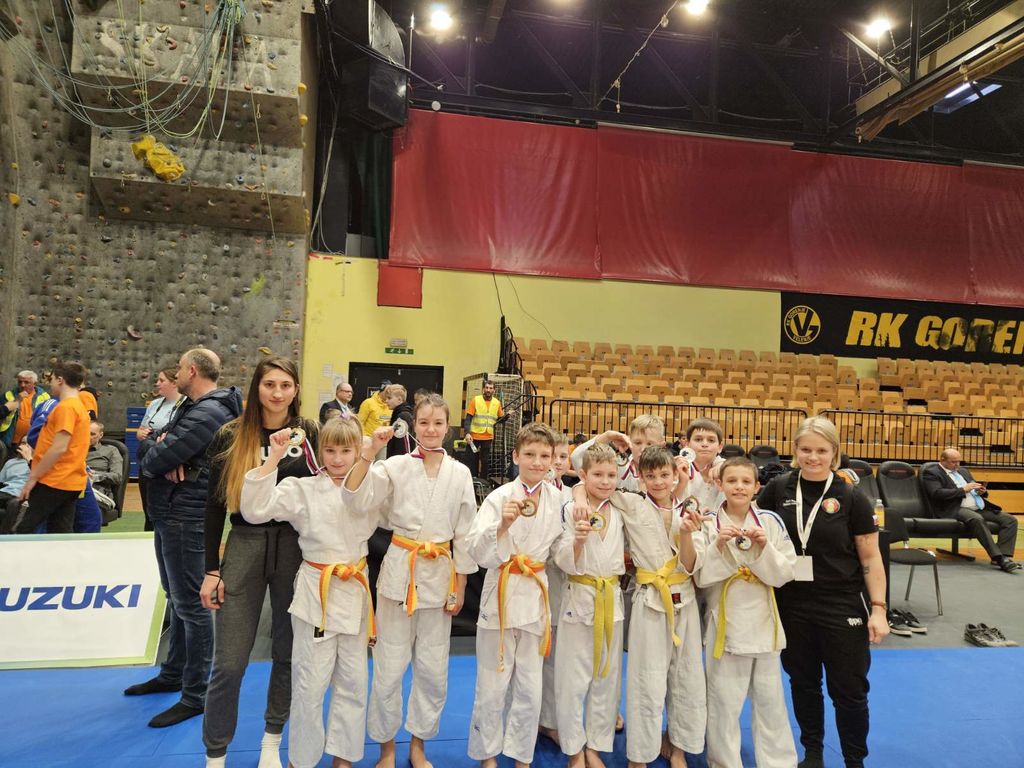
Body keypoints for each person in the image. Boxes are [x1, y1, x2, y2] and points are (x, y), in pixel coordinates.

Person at [343, 394, 477, 768]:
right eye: (424, 423)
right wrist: (370, 452)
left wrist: (461, 587)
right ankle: (386, 747)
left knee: (433, 670)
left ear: (448, 427)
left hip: (441, 575)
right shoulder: (395, 466)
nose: (431, 430)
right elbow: (355, 499)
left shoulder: (460, 473)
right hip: (400, 571)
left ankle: (419, 745)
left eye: (438, 423)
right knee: (388, 667)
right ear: (413, 425)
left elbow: (466, 534)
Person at [199, 357, 319, 768]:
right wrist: (210, 570)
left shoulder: (310, 432)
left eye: (286, 385)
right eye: (270, 384)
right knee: (229, 662)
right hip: (244, 544)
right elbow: (213, 506)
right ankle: (216, 754)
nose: (278, 393)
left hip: (295, 547)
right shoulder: (231, 434)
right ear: (257, 388)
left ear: (296, 389)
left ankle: (272, 741)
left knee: (288, 653)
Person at [240, 417, 377, 768]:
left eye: (346, 450)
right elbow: (254, 510)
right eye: (330, 450)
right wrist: (274, 457)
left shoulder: (371, 485)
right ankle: (301, 760)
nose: (337, 459)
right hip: (317, 590)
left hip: (355, 587)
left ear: (357, 451)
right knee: (309, 684)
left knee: (354, 681)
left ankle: (344, 758)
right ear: (319, 451)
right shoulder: (302, 489)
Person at [756, 416, 888, 768]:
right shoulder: (777, 489)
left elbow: (871, 557)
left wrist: (878, 608)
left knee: (850, 690)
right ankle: (812, 753)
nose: (812, 457)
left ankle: (854, 759)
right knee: (803, 683)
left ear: (835, 453)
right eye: (805, 450)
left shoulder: (852, 497)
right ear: (795, 450)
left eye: (821, 450)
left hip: (841, 604)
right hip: (791, 604)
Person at [127, 349, 243, 729]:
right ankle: (173, 674)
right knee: (177, 599)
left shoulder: (209, 412)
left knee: (193, 606)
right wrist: (159, 447)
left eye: (178, 368)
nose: (174, 373)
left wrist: (157, 448)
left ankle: (196, 694)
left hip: (185, 514)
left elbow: (151, 458)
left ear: (191, 370)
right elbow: (156, 450)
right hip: (170, 511)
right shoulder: (194, 408)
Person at [596, 446, 705, 768]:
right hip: (649, 597)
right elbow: (591, 483)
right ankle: (640, 755)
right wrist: (576, 494)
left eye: (664, 475)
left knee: (686, 676)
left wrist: (687, 534)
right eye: (651, 475)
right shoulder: (631, 503)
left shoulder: (691, 509)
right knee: (646, 677)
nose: (658, 482)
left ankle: (679, 748)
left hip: (684, 598)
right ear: (640, 478)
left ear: (676, 475)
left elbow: (691, 564)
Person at [466, 423, 563, 768]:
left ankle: (522, 754)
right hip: (502, 592)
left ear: (552, 460)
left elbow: (562, 548)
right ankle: (487, 754)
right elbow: (476, 550)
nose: (537, 462)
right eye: (530, 454)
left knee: (530, 686)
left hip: (535, 597)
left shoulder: (559, 499)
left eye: (544, 456)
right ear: (516, 456)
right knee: (492, 684)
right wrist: (502, 527)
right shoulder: (499, 497)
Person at [697, 457, 798, 768]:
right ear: (719, 484)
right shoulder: (708, 522)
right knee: (723, 702)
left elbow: (786, 573)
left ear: (757, 487)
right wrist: (717, 546)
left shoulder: (770, 522)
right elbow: (700, 577)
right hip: (724, 622)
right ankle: (724, 762)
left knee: (770, 700)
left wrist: (764, 548)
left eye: (745, 482)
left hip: (763, 621)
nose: (738, 487)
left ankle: (779, 762)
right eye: (732, 481)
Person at [552, 443, 627, 768]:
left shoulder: (621, 508)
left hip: (611, 599)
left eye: (611, 475)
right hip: (579, 597)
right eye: (598, 474)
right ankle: (574, 749)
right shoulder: (570, 509)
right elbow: (560, 558)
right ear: (583, 475)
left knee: (607, 678)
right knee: (572, 679)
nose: (606, 481)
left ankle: (596, 745)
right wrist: (578, 542)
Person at [14, 362, 91, 534]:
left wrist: (33, 477)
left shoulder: (66, 408)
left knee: (22, 530)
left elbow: (58, 447)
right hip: (70, 480)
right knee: (60, 532)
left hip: (54, 479)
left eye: (52, 379)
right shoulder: (78, 406)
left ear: (60, 380)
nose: (50, 384)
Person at [921, 447, 1021, 573]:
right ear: (942, 460)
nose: (957, 465)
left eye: (959, 461)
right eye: (953, 462)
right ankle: (999, 558)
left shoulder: (963, 471)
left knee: (1010, 520)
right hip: (955, 508)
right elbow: (936, 493)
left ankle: (1004, 556)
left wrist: (980, 491)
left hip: (977, 506)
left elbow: (973, 488)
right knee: (976, 519)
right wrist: (963, 490)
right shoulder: (932, 473)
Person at [538, 433, 574, 748]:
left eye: (564, 457)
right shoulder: (532, 491)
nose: (558, 463)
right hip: (534, 577)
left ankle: (550, 720)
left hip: (562, 584)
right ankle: (527, 717)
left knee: (555, 658)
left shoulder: (573, 495)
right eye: (554, 456)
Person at [137, 366, 185, 531]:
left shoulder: (185, 405)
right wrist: (141, 434)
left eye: (161, 380)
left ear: (174, 383)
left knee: (165, 511)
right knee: (148, 509)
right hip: (147, 460)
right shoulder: (155, 404)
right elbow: (141, 429)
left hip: (167, 463)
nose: (157, 383)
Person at [570, 415, 666, 493]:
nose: (643, 449)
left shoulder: (668, 473)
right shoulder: (617, 467)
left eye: (650, 444)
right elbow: (577, 457)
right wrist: (607, 436)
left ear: (661, 445)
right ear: (629, 441)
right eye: (637, 443)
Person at [679, 418, 726, 513]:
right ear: (687, 444)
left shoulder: (727, 468)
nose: (704, 444)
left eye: (711, 440)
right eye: (698, 439)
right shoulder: (678, 467)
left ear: (720, 447)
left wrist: (724, 467)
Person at [463, 379, 504, 479]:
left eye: (490, 388)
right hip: (474, 436)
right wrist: (467, 433)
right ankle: (470, 479)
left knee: (485, 462)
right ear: (483, 389)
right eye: (486, 388)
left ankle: (483, 481)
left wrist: (507, 416)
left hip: (488, 437)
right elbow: (468, 418)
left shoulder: (497, 403)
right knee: (472, 460)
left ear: (494, 390)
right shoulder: (476, 400)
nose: (488, 390)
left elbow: (500, 419)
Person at [1, 370, 50, 448]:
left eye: (26, 382)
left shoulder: (44, 397)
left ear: (35, 383)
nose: (22, 385)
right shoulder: (8, 395)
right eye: (20, 382)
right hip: (9, 439)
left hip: (32, 442)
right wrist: (16, 401)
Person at [86, 421, 124, 519]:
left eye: (92, 434)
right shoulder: (73, 449)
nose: (88, 437)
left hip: (97, 490)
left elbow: (117, 477)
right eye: (85, 433)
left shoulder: (111, 451)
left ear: (101, 435)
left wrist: (95, 475)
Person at [0, 441, 31, 531]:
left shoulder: (36, 463)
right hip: (6, 491)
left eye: (29, 444)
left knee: (13, 504)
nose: (25, 446)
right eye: (23, 443)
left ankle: (4, 535)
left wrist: (29, 459)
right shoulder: (11, 462)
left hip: (20, 494)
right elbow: (1, 481)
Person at [385, 384, 414, 458]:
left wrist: (400, 462)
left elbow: (404, 445)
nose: (386, 401)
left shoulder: (403, 416)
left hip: (400, 460)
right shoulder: (398, 414)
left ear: (399, 399)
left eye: (389, 398)